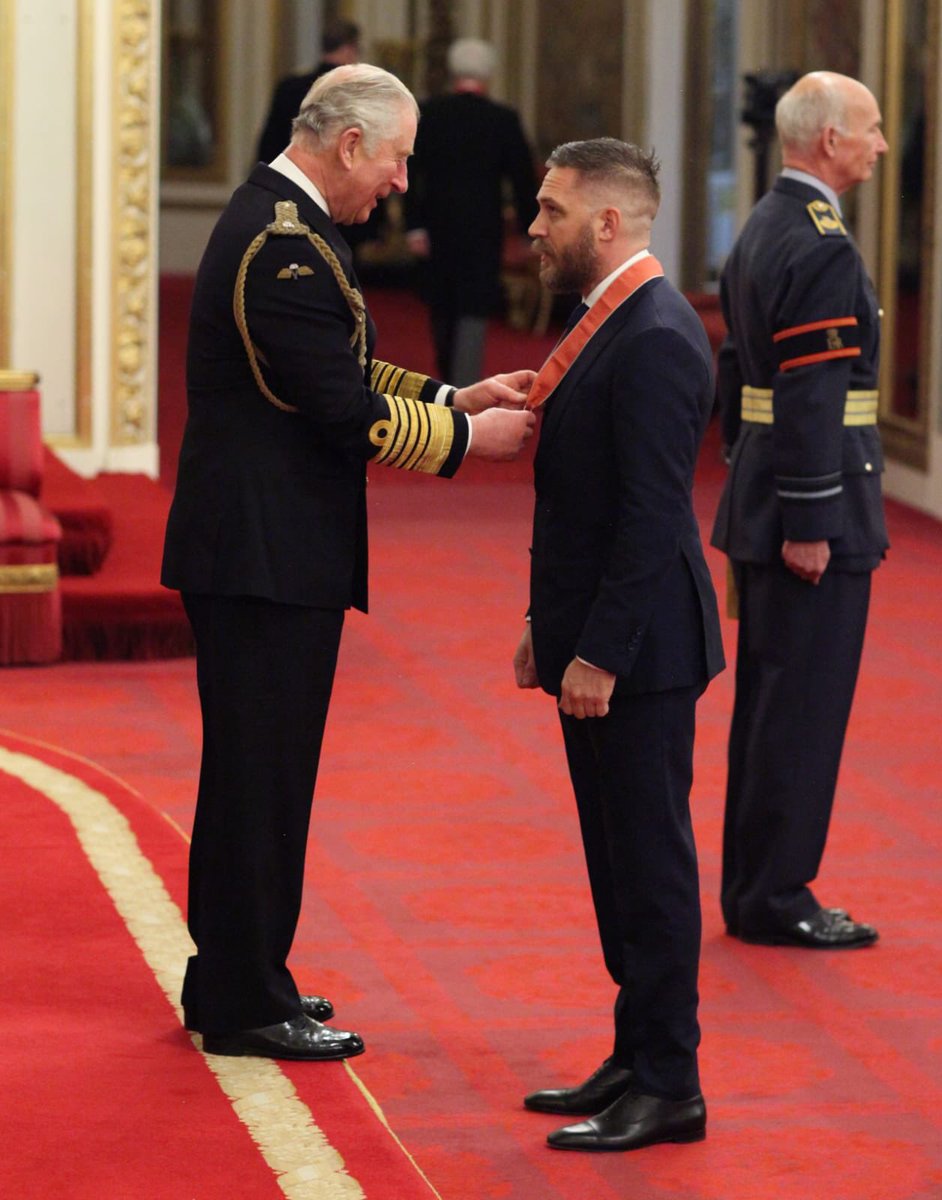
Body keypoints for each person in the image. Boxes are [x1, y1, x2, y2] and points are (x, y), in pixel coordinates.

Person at [161, 63, 535, 1062]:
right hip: (263, 554)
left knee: (259, 777)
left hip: (269, 549)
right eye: (400, 158)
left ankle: (237, 976)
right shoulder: (282, 243)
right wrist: (463, 447)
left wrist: (455, 396)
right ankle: (245, 997)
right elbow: (336, 406)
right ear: (353, 145)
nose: (404, 182)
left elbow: (342, 361)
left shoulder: (294, 226)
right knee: (260, 780)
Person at [513, 139, 725, 1152]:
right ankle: (633, 1053)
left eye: (551, 210)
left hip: (639, 652)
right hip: (600, 637)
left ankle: (671, 1082)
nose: (534, 227)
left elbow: (649, 516)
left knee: (649, 866)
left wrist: (596, 650)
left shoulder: (654, 336)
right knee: (614, 861)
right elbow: (578, 496)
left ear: (606, 222)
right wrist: (539, 625)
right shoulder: (608, 321)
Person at [711, 71, 889, 948]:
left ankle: (754, 886)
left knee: (772, 702)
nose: (882, 145)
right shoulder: (821, 244)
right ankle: (777, 894)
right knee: (802, 707)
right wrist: (813, 519)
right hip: (812, 504)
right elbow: (814, 393)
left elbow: (738, 374)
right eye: (871, 128)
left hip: (765, 491)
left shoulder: (768, 222)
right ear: (829, 141)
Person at [405, 37, 537, 385]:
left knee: (442, 308)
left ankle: (450, 379)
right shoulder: (503, 120)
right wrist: (528, 229)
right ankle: (462, 386)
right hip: (483, 230)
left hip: (437, 227)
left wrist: (413, 227)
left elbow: (410, 172)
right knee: (474, 309)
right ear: (488, 75)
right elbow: (522, 180)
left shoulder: (429, 114)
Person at [255, 18, 361, 165]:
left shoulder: (289, 87)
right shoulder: (352, 91)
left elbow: (268, 146)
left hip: (285, 174)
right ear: (349, 49)